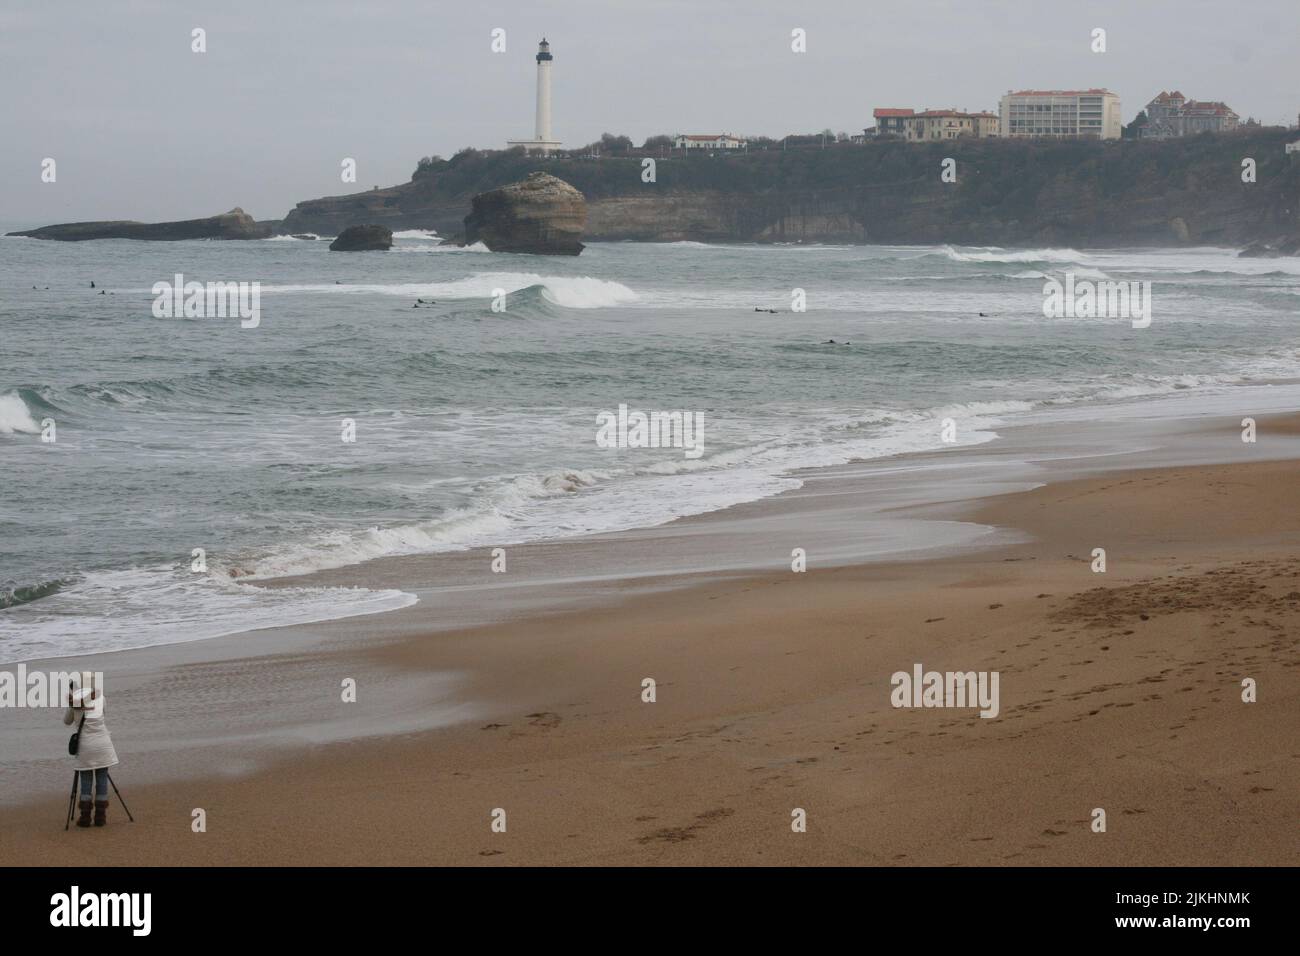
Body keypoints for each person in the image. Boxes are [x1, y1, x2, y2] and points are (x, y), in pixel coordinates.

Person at [64, 682, 119, 828]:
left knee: (86, 782)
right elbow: (103, 714)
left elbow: (66, 721)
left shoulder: (73, 703)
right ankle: (100, 817)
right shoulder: (101, 698)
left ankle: (85, 818)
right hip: (103, 745)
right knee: (102, 779)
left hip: (86, 747)